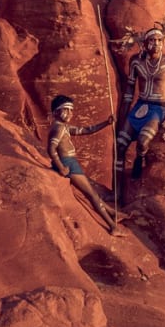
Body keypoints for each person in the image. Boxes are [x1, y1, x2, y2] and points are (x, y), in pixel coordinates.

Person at [114, 21, 165, 180]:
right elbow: (130, 89)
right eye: (152, 40)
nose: (156, 44)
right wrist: (122, 116)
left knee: (143, 142)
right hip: (140, 106)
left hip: (158, 109)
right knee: (120, 145)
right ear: (145, 43)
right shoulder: (136, 61)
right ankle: (116, 189)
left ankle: (139, 158)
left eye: (159, 40)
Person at [47, 95, 122, 232]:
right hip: (67, 163)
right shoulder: (59, 128)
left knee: (91, 192)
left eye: (71, 110)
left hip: (70, 162)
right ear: (56, 112)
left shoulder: (63, 127)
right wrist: (61, 167)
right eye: (66, 110)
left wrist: (106, 123)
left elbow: (87, 130)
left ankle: (112, 213)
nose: (70, 113)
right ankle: (113, 226)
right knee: (92, 195)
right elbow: (51, 149)